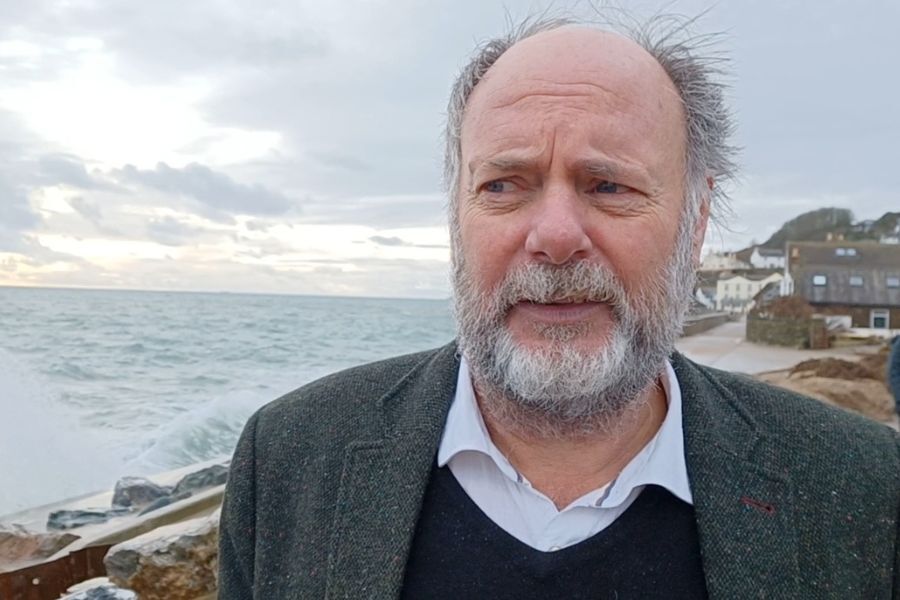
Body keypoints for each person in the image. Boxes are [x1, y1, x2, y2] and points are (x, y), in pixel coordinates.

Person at [218, 15, 900, 600]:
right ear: (457, 213)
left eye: (607, 185)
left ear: (696, 221)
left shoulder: (865, 489)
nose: (554, 237)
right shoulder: (287, 460)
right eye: (505, 184)